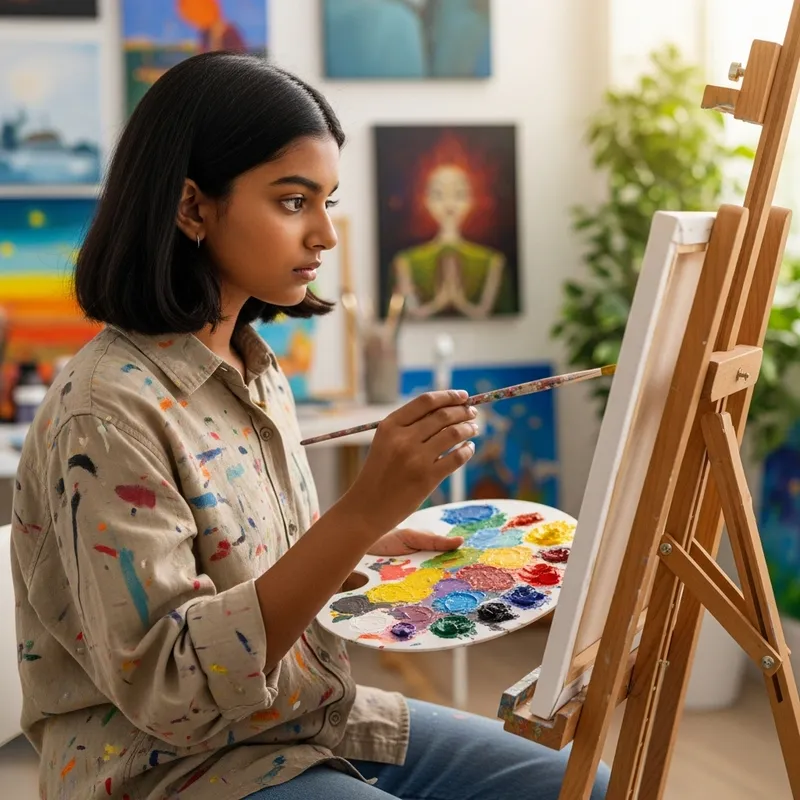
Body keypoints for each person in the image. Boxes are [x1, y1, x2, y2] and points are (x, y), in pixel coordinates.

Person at [9, 52, 610, 799]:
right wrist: (359, 512)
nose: (326, 234)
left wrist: (367, 536)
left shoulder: (254, 368)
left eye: (327, 200)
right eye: (294, 201)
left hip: (306, 720)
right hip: (171, 769)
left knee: (588, 785)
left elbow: (236, 563)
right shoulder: (105, 410)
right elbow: (172, 689)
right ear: (193, 207)